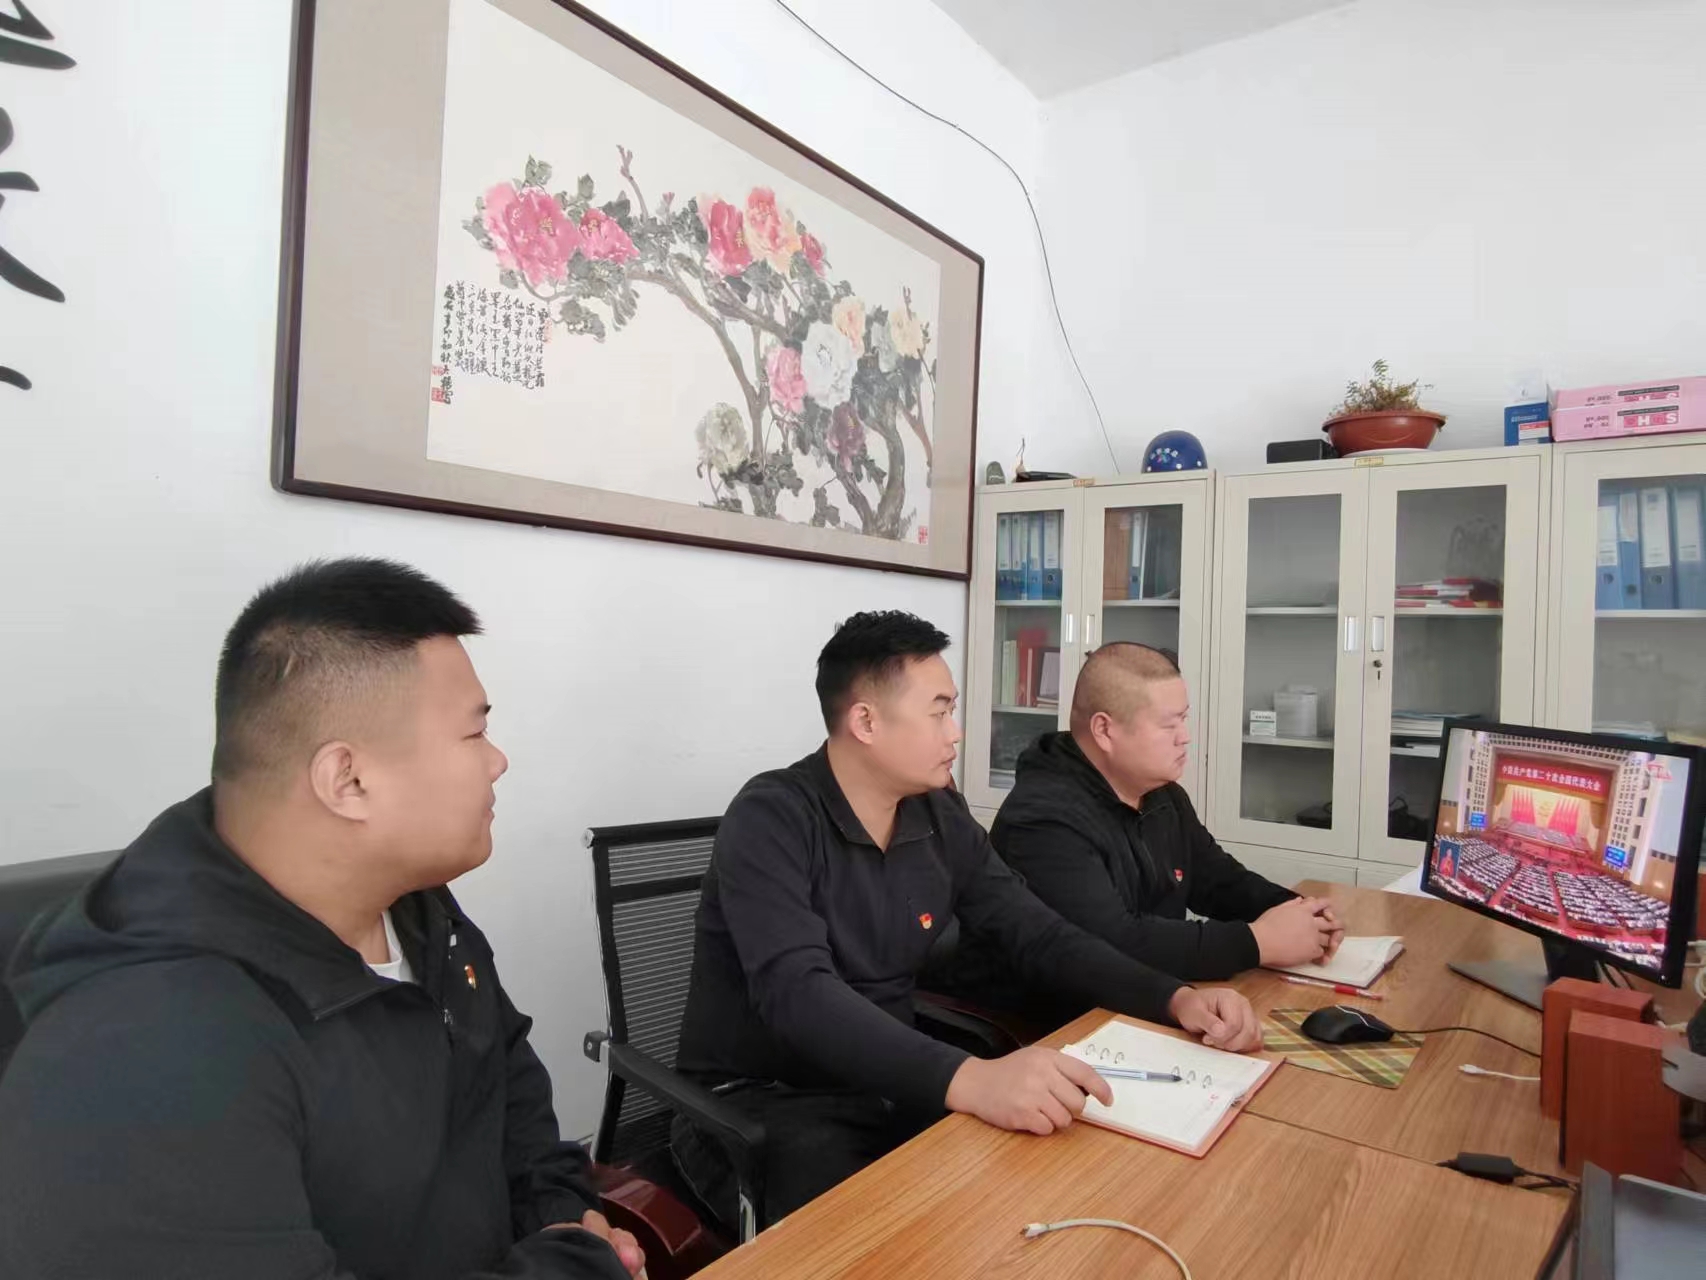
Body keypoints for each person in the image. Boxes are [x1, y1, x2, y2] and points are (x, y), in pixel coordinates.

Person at [0, 559, 643, 1280]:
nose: (497, 762)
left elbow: (506, 1084)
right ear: (349, 780)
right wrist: (576, 1266)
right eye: (473, 735)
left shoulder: (416, 908)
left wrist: (560, 1215)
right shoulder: (142, 1056)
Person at [670, 612, 1262, 1228]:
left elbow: (1038, 932)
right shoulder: (772, 817)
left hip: (888, 1078)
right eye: (939, 712)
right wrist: (972, 1079)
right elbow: (799, 996)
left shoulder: (936, 813)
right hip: (762, 1105)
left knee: (1049, 1181)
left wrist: (1174, 998)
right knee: (884, 1239)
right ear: (866, 722)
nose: (956, 732)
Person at [982, 642, 1343, 984]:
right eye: (1169, 724)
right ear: (1105, 730)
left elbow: (1217, 880)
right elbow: (1113, 943)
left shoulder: (1162, 794)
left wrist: (1300, 913)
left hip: (1150, 996)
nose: (1185, 737)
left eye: (1184, 719)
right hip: (1055, 1017)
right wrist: (1257, 942)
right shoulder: (1042, 820)